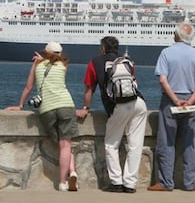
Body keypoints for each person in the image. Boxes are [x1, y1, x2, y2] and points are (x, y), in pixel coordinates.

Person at [77, 36, 147, 193]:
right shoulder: (128, 62)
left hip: (119, 106)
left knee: (111, 144)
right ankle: (130, 184)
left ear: (102, 48)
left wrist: (85, 107)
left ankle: (116, 182)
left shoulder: (95, 62)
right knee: (135, 145)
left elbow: (89, 88)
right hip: (139, 103)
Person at [6, 41, 79, 192]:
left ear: (46, 52)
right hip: (66, 105)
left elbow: (29, 87)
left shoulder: (37, 65)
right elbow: (55, 65)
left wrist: (20, 105)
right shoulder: (64, 65)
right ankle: (67, 178)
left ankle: (67, 177)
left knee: (61, 143)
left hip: (47, 109)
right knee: (66, 144)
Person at [147, 23, 195, 192]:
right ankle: (189, 183)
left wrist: (175, 100)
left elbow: (162, 80)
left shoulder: (166, 53)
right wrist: (190, 101)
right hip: (191, 102)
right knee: (189, 143)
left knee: (167, 141)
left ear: (176, 35)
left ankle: (166, 182)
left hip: (170, 101)